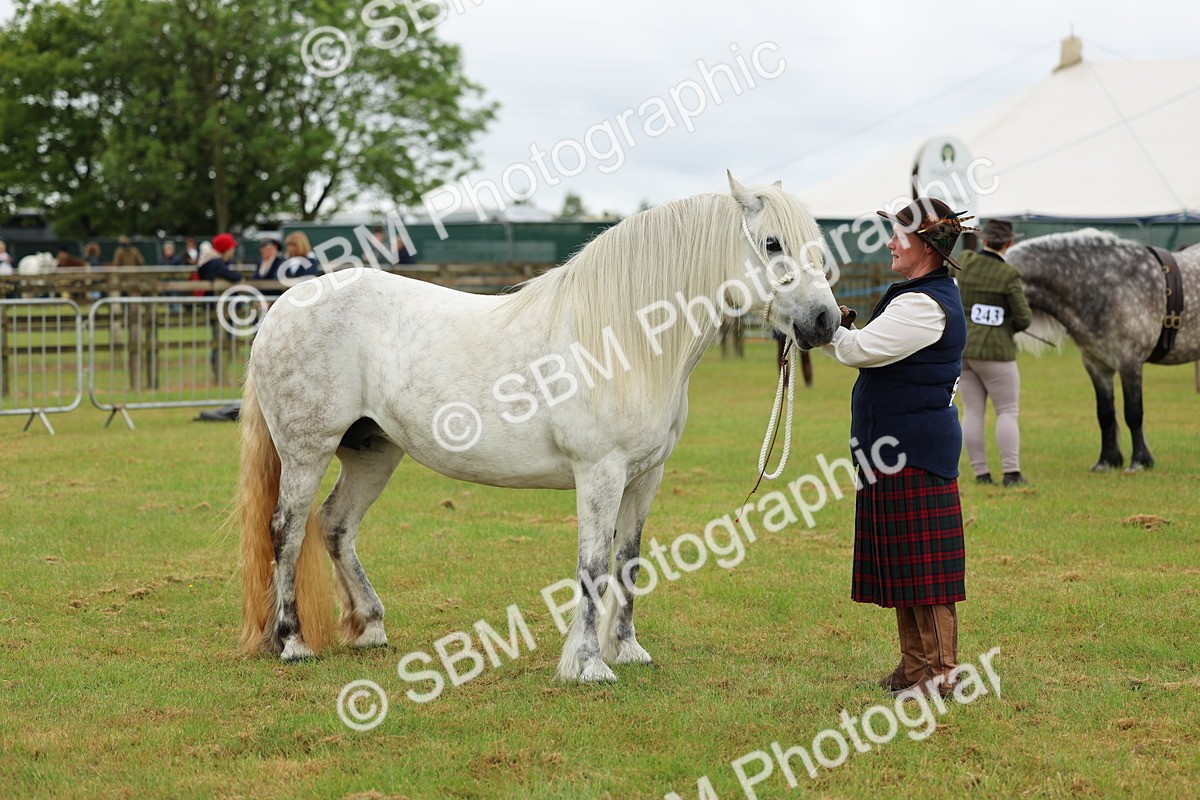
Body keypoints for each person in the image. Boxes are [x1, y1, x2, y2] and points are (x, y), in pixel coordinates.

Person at [819, 197, 972, 699]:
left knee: (925, 573)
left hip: (913, 452)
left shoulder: (924, 304)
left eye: (899, 235)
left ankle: (941, 674)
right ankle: (914, 667)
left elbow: (859, 349)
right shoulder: (917, 294)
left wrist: (824, 327)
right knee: (908, 566)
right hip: (895, 450)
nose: (889, 242)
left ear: (925, 247)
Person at [954, 219, 1032, 486]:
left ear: (984, 240)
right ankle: (1011, 473)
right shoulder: (1008, 275)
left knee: (973, 412)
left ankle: (981, 473)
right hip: (997, 352)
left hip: (965, 350)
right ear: (1009, 244)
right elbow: (1024, 319)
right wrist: (1008, 322)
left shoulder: (966, 261)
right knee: (1007, 411)